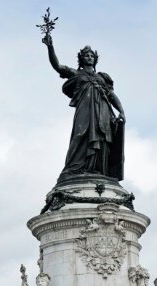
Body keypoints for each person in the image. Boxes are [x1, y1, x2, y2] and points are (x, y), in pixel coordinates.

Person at [42, 34, 125, 180]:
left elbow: (111, 96)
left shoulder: (102, 77)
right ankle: (74, 168)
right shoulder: (76, 73)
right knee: (80, 134)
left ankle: (100, 170)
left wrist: (121, 111)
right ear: (81, 58)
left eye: (91, 55)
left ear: (95, 59)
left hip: (103, 110)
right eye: (86, 55)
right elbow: (58, 66)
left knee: (102, 137)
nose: (89, 57)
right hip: (85, 109)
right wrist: (50, 47)